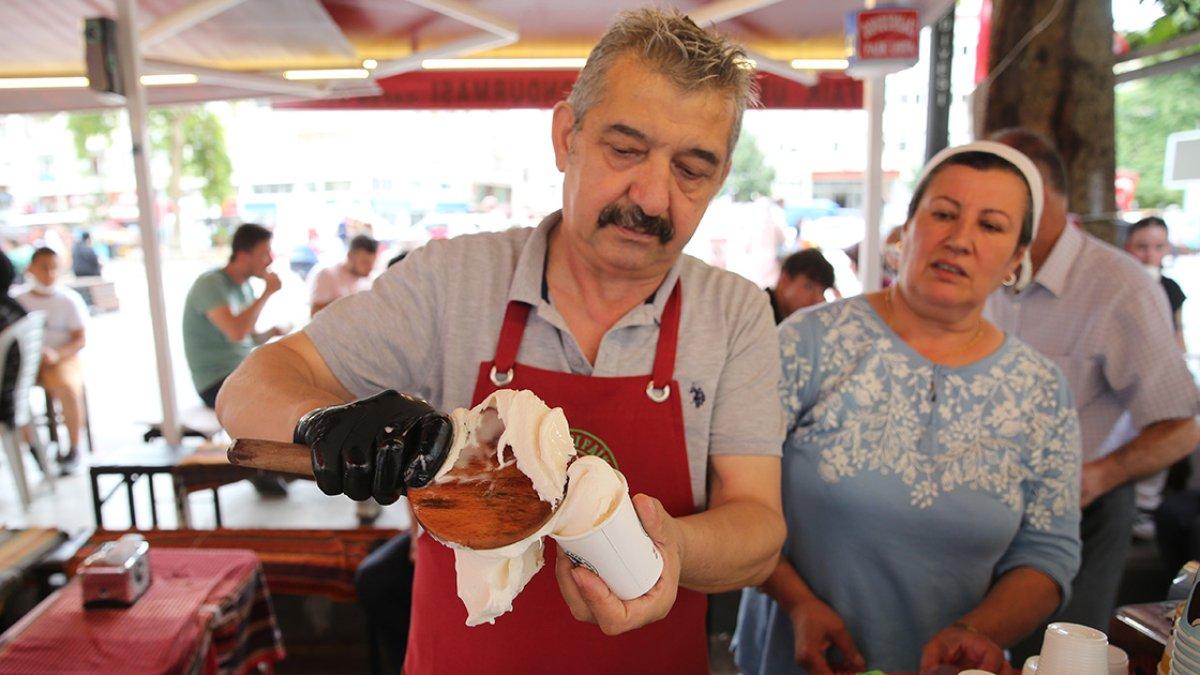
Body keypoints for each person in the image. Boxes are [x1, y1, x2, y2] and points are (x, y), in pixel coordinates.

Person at [216, 9, 786, 674]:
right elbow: (247, 389)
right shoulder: (452, 280)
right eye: (625, 150)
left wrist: (669, 548)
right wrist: (327, 422)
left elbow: (759, 529)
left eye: (690, 168)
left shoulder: (735, 312)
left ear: (721, 177)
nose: (654, 197)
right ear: (567, 135)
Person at [734, 142, 1082, 674]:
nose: (960, 239)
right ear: (906, 230)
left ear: (1017, 258)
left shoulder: (1040, 391)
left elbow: (1048, 554)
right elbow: (734, 491)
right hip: (803, 655)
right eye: (943, 214)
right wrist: (796, 600)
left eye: (990, 225)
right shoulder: (811, 341)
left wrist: (977, 634)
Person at [986, 129, 1200, 643]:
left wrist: (1098, 476)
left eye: (996, 203)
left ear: (1042, 197)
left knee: (1062, 653)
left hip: (1085, 508)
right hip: (986, 498)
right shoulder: (988, 270)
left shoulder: (1119, 287)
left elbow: (1183, 427)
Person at [183, 224, 289, 494]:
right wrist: (267, 293)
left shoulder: (243, 288)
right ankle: (258, 467)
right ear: (243, 255)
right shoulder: (211, 284)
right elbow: (236, 331)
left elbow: (250, 337)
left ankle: (279, 464)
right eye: (264, 253)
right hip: (215, 381)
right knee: (273, 399)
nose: (270, 260)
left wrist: (274, 332)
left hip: (241, 373)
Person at [16, 248, 89, 473]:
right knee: (13, 396)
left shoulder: (68, 300)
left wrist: (57, 354)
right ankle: (33, 448)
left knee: (68, 388)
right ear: (30, 269)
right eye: (44, 267)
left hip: (60, 358)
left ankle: (73, 448)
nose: (49, 273)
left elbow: (80, 338)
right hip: (26, 361)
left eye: (53, 268)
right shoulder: (18, 300)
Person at [309, 234, 378, 316]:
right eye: (365, 262)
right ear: (350, 256)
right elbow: (315, 314)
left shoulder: (368, 281)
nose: (370, 267)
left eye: (373, 262)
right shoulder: (327, 275)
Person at [767, 249, 835, 324]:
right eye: (809, 286)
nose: (818, 300)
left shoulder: (790, 323)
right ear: (785, 280)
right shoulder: (760, 312)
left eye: (823, 291)